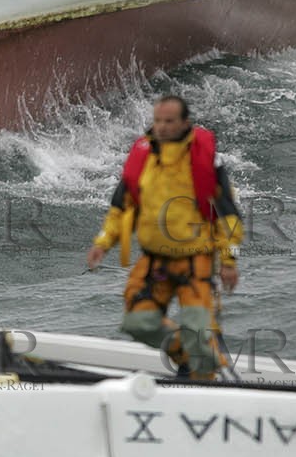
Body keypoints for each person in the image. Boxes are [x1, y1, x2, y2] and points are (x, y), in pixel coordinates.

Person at [85, 95, 243, 380]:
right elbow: (121, 206)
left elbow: (228, 214)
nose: (162, 127)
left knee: (199, 333)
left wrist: (229, 259)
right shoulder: (142, 158)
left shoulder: (204, 161)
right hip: (155, 262)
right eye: (158, 121)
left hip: (196, 262)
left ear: (185, 123)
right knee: (138, 323)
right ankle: (191, 359)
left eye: (169, 121)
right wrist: (102, 243)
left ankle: (210, 377)